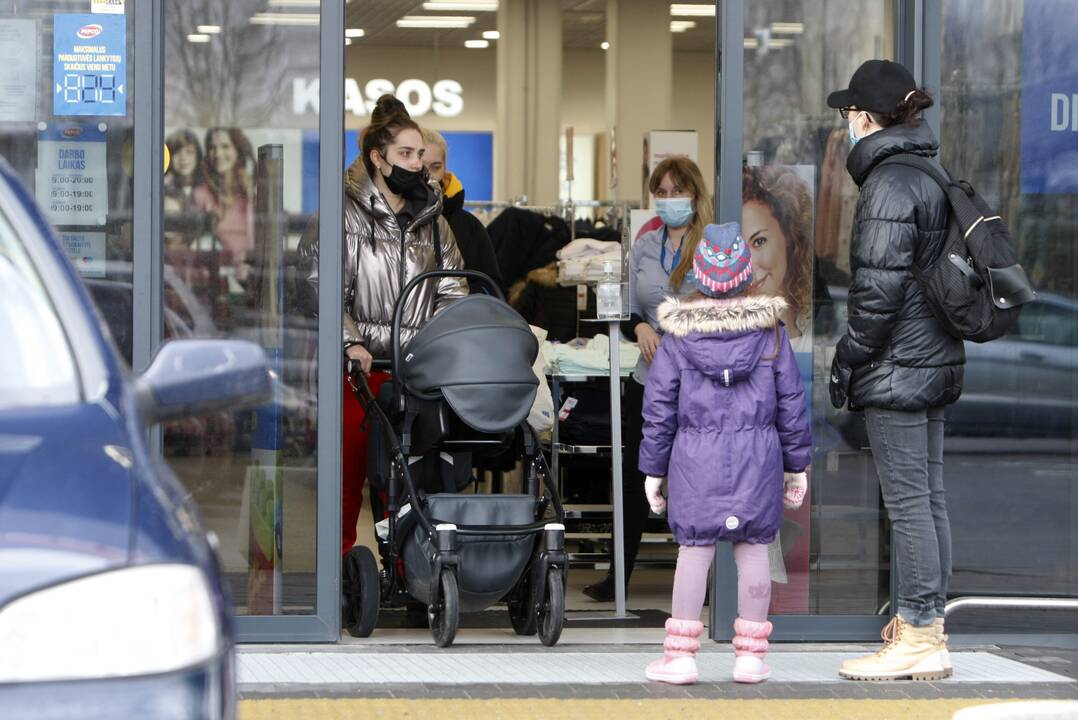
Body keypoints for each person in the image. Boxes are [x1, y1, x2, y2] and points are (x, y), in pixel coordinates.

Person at [826, 59, 964, 681]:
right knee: (927, 500)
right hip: (929, 359)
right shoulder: (926, 170)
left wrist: (846, 357)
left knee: (908, 503)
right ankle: (926, 627)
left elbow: (875, 296)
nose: (842, 129)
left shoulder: (887, 183)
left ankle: (918, 633)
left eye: (845, 116)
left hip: (896, 365)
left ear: (862, 118)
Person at [639, 222, 811, 685]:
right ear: (744, 275)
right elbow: (793, 404)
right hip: (759, 459)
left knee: (693, 551)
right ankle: (751, 657)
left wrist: (653, 470)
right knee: (754, 548)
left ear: (700, 276)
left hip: (695, 462)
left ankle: (680, 657)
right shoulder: (771, 334)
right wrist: (797, 465)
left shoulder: (677, 338)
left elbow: (659, 409)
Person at [299, 94, 466, 561]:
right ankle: (338, 574)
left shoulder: (434, 220)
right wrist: (350, 340)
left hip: (418, 372)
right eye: (405, 155)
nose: (417, 165)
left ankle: (406, 571)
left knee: (407, 480)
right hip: (359, 370)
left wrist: (443, 346)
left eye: (420, 156)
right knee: (350, 475)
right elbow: (319, 288)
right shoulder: (341, 212)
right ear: (378, 158)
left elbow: (453, 292)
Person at [582, 156, 712, 603]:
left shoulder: (712, 244)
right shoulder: (645, 244)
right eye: (663, 191)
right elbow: (628, 304)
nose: (671, 199)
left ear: (695, 193)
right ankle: (618, 576)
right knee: (638, 477)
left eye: (678, 190)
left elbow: (724, 302)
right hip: (650, 379)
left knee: (699, 478)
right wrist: (638, 327)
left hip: (701, 381)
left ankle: (704, 580)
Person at [420, 128, 503, 295]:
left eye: (436, 167)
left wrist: (457, 298)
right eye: (421, 167)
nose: (429, 175)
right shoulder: (390, 220)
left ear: (445, 169)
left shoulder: (469, 226)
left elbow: (491, 288)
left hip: (457, 318)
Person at [741, 165, 814, 353]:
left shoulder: (816, 324)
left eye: (759, 242)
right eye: (738, 247)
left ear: (789, 235)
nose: (749, 265)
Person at [192, 127, 255, 284]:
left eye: (225, 147)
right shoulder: (201, 194)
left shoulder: (252, 190)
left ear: (237, 150)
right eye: (212, 148)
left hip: (258, 274)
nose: (218, 154)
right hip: (221, 279)